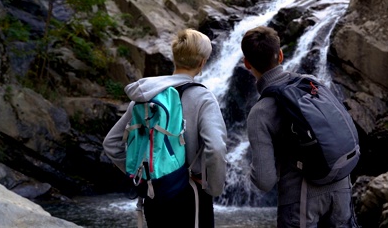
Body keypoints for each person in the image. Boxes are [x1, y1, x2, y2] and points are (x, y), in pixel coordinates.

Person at [103, 28, 227, 228]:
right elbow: (217, 148)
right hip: (191, 195)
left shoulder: (146, 95)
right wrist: (213, 187)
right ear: (202, 62)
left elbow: (110, 143)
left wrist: (142, 172)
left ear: (175, 58)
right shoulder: (203, 98)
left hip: (154, 191)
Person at [241, 26, 357, 228]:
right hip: (342, 187)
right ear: (280, 55)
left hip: (301, 203)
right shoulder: (311, 82)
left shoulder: (260, 112)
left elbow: (264, 180)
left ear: (247, 63)